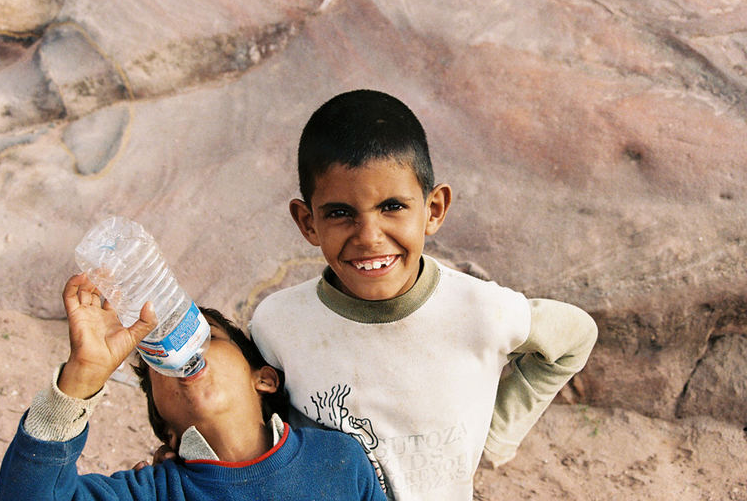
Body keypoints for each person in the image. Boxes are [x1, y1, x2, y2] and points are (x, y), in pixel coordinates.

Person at [248, 89, 598, 500]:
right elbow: (251, 419)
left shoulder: (481, 311)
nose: (369, 236)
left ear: (433, 210)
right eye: (340, 213)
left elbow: (576, 336)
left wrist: (497, 435)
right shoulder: (278, 323)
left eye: (392, 206)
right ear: (307, 222)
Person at [0, 273, 386, 501]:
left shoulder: (337, 458)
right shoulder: (155, 491)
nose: (181, 355)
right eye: (158, 360)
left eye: (205, 338)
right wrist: (82, 377)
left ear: (264, 379)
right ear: (164, 426)